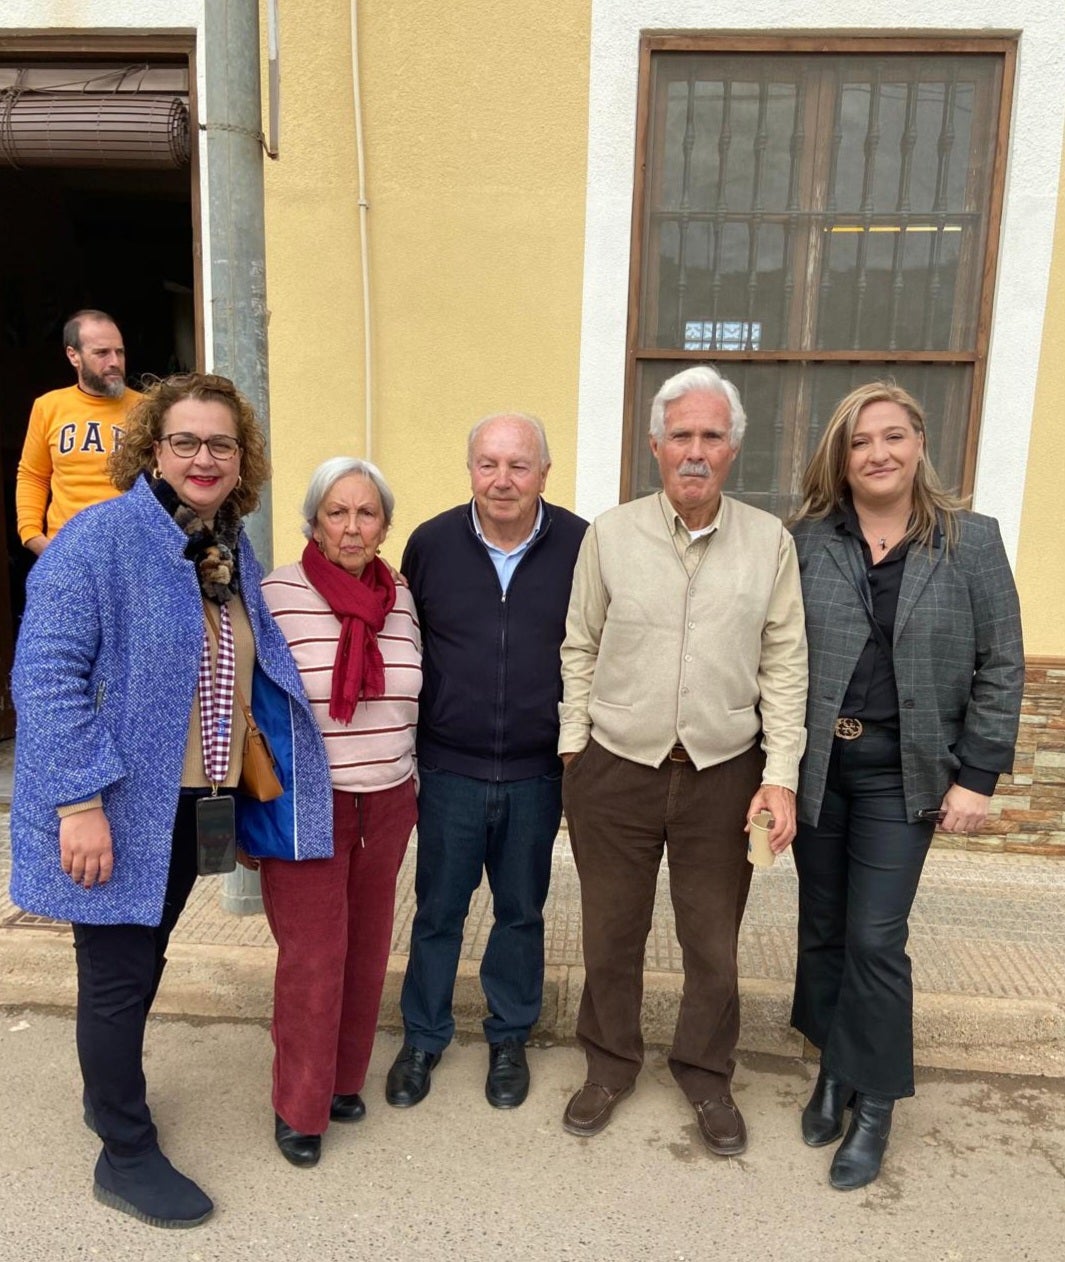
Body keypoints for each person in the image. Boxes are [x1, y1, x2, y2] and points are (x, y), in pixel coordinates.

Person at [8, 373, 333, 1228]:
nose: (202, 457)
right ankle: (124, 1149)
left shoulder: (224, 549)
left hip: (190, 807)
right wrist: (77, 801)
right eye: (184, 441)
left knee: (141, 967)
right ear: (153, 449)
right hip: (114, 810)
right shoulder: (101, 539)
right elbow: (44, 676)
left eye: (219, 444)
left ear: (240, 459)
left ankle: (104, 1094)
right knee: (115, 980)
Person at [558, 364, 807, 1153]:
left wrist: (779, 775)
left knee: (711, 944)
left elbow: (784, 663)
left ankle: (704, 1073)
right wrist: (574, 747)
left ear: (731, 450)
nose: (694, 451)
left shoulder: (768, 541)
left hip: (722, 773)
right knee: (610, 935)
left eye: (710, 436)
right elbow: (579, 645)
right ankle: (607, 1065)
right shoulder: (611, 533)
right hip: (615, 768)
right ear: (655, 447)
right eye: (680, 436)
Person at [788, 381, 1024, 1190]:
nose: (877, 453)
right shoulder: (809, 541)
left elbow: (1000, 663)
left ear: (920, 443)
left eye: (892, 436)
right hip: (820, 767)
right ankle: (832, 1072)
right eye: (859, 441)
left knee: (874, 940)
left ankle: (877, 1102)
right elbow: (779, 656)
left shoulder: (971, 541)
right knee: (820, 930)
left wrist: (977, 776)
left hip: (904, 771)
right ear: (840, 457)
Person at [385, 413, 586, 1111]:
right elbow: (407, 645)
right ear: (469, 468)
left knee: (520, 912)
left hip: (537, 771)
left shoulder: (580, 545)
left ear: (543, 474)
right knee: (437, 911)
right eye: (488, 464)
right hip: (449, 769)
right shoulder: (432, 544)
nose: (502, 480)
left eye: (518, 465)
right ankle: (423, 1038)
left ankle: (508, 1038)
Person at [256, 457, 422, 1167]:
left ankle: (342, 1080)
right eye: (337, 512)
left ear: (384, 525)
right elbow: (248, 701)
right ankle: (299, 1105)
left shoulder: (402, 596)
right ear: (314, 521)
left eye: (367, 513)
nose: (352, 527)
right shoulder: (274, 594)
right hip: (306, 803)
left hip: (388, 798)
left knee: (366, 947)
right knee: (313, 958)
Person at [16, 309, 144, 555]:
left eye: (120, 352)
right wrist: (32, 536)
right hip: (66, 552)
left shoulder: (148, 409)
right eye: (102, 353)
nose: (115, 362)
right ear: (73, 356)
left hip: (132, 555)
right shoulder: (48, 406)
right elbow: (33, 475)